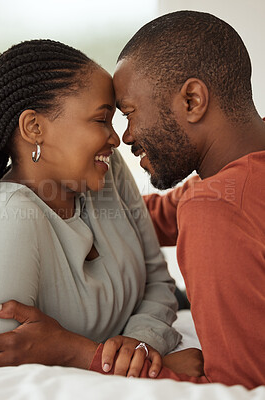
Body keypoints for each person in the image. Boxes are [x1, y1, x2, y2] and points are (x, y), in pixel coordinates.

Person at [0, 39, 182, 377]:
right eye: (101, 120)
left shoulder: (105, 171)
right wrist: (140, 365)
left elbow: (158, 279)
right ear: (34, 128)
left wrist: (141, 344)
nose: (116, 139)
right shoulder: (6, 221)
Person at [89, 10, 265, 389]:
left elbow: (244, 390)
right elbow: (150, 217)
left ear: (192, 100)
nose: (125, 136)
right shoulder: (233, 181)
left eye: (130, 114)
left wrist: (74, 355)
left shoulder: (216, 208)